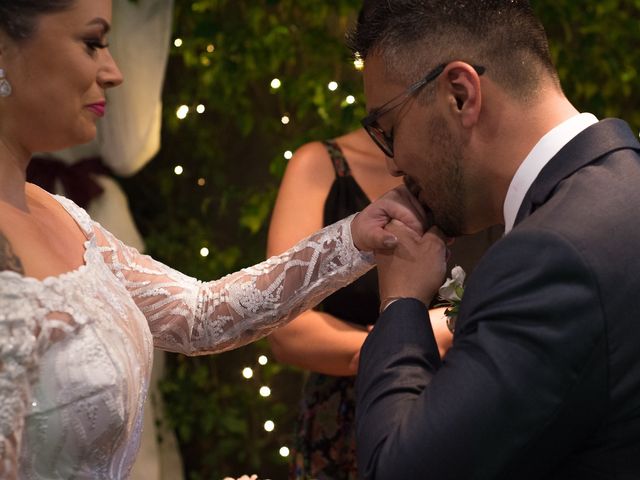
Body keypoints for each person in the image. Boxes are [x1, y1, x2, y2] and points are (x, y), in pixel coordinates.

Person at [0, 1, 426, 478]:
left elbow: (199, 315)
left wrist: (355, 239)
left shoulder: (64, 217)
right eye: (93, 42)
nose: (114, 72)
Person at [350, 1, 640, 479]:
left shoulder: (549, 256)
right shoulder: (620, 185)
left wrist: (400, 300)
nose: (393, 164)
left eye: (388, 130)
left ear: (460, 95)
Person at [267, 127, 499, 478]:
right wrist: (403, 341)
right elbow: (287, 329)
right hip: (348, 423)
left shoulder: (484, 167)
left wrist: (450, 326)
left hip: (468, 410)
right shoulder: (320, 165)